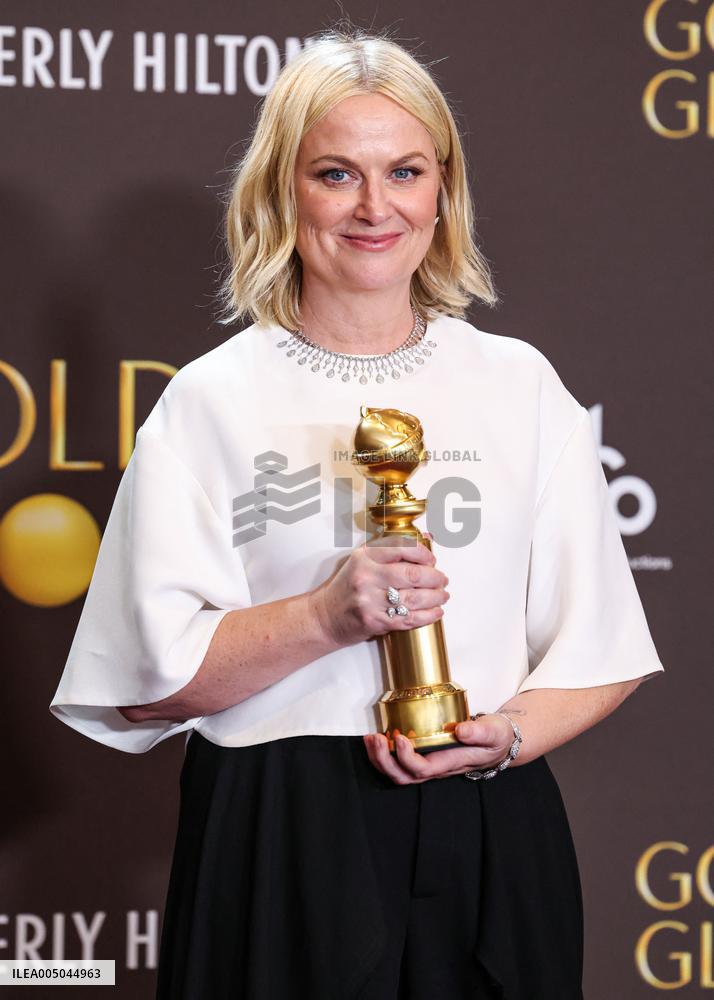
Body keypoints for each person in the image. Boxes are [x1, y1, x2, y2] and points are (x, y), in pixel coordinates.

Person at [49, 26, 665, 1000]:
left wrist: (501, 736)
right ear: (281, 194)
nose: (377, 207)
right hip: (279, 832)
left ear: (443, 191)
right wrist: (325, 616)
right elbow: (140, 686)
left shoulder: (520, 384)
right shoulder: (214, 399)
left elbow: (604, 654)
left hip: (491, 834)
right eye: (337, 173)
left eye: (406, 171)